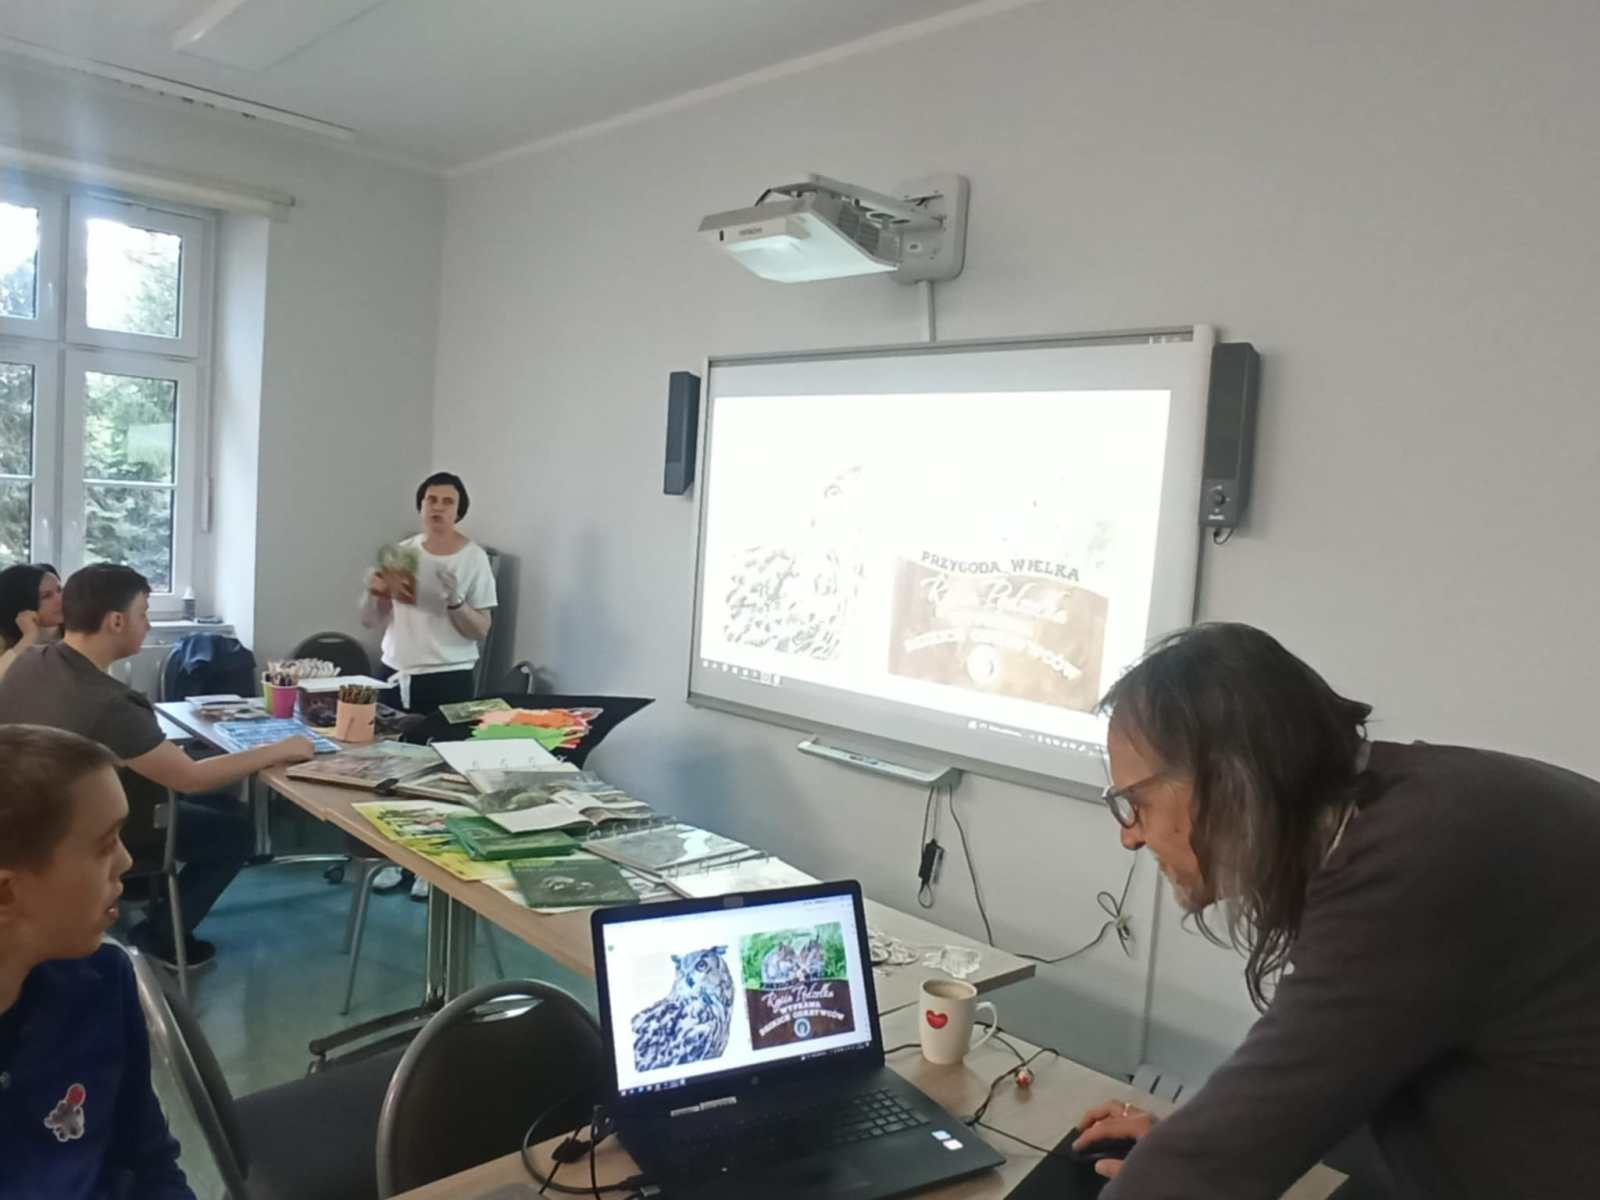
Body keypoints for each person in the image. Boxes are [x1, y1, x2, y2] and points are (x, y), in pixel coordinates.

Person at [1072, 622, 1600, 1198]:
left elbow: (1274, 1106)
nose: (1130, 836)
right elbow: (1328, 1085)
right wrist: (1190, 1151)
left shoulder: (1416, 861)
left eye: (1136, 803)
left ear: (1227, 780)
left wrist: (1195, 1165)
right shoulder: (1404, 806)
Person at [0, 564, 314, 970]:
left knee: (220, 809)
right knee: (235, 832)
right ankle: (161, 937)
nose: (147, 625)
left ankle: (157, 906)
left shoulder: (30, 660)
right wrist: (279, 749)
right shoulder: (111, 704)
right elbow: (190, 778)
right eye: (143, 613)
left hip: (27, 819)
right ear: (116, 621)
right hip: (86, 831)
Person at [0, 724, 195, 1198]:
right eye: (105, 845)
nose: (126, 861)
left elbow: (148, 1161)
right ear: (6, 893)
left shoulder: (102, 979)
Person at [362, 470, 497, 714]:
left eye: (448, 502)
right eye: (431, 500)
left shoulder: (474, 558)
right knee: (386, 739)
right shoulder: (402, 553)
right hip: (394, 672)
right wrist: (375, 593)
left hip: (448, 678)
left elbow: (481, 630)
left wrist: (455, 601)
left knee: (439, 738)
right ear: (421, 507)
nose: (438, 507)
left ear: (458, 512)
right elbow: (370, 620)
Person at [0, 562, 63, 682]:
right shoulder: (3, 639)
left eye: (60, 590)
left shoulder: (77, 630)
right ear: (22, 604)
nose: (61, 599)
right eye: (46, 596)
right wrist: (29, 637)